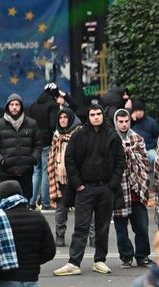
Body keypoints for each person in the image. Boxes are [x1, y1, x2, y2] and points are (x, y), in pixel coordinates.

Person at [53, 104, 125, 276]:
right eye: (92, 114)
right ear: (88, 116)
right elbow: (69, 159)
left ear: (102, 115)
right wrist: (78, 183)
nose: (96, 117)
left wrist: (111, 185)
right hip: (84, 188)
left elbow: (120, 161)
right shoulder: (79, 135)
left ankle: (100, 261)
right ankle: (73, 262)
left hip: (105, 188)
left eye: (99, 113)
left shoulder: (112, 136)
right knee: (81, 227)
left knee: (103, 227)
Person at [112, 109, 153, 268]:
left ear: (130, 121)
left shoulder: (138, 138)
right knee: (121, 228)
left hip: (136, 189)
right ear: (116, 122)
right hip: (119, 190)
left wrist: (130, 154)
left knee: (141, 226)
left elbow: (144, 163)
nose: (123, 124)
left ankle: (142, 256)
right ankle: (126, 256)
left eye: (126, 121)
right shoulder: (111, 138)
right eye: (120, 121)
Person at [0, 93, 42, 200]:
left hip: (26, 171)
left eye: (17, 104)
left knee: (25, 200)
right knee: (8, 201)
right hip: (6, 171)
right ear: (7, 106)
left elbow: (38, 144)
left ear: (21, 106)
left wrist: (33, 159)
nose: (14, 107)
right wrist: (1, 161)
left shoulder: (32, 124)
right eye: (12, 104)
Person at [48, 108, 82, 246]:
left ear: (71, 119)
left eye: (65, 117)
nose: (62, 120)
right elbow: (52, 155)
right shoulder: (56, 135)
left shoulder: (79, 133)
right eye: (60, 118)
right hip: (60, 178)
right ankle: (60, 236)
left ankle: (88, 236)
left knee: (83, 209)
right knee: (61, 209)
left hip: (77, 177)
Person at [27, 83, 63, 211]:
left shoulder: (33, 105)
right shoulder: (53, 105)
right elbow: (54, 124)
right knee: (45, 172)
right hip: (47, 141)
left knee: (36, 172)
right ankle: (45, 203)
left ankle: (31, 201)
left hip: (34, 142)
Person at [130, 100, 159, 168]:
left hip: (148, 150)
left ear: (144, 111)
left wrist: (150, 146)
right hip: (132, 150)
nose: (138, 113)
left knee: (155, 158)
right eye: (136, 110)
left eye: (140, 110)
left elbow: (158, 137)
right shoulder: (128, 122)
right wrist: (131, 121)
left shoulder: (151, 122)